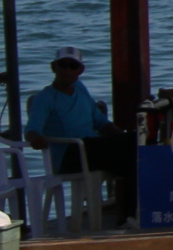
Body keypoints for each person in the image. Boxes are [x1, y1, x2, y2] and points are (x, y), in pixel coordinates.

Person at [23, 46, 137, 200]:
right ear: (53, 67)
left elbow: (100, 121)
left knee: (137, 151)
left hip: (92, 149)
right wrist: (35, 138)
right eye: (63, 65)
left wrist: (123, 137)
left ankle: (130, 212)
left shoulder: (80, 88)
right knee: (128, 149)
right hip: (69, 155)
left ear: (80, 70)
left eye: (73, 66)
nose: (67, 70)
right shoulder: (44, 98)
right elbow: (31, 129)